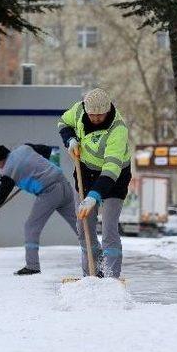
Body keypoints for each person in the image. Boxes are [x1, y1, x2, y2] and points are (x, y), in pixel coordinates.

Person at [58, 88, 131, 278]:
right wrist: (71, 139)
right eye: (92, 115)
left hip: (115, 177)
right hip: (85, 173)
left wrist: (94, 196)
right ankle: (91, 272)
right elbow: (63, 123)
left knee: (108, 229)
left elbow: (111, 168)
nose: (96, 119)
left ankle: (111, 275)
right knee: (84, 228)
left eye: (100, 115)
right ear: (86, 109)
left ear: (107, 111)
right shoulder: (78, 110)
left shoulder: (118, 129)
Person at [0, 143, 78, 275]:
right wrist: (39, 171)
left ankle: (32, 266)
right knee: (80, 225)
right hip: (64, 184)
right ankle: (98, 257)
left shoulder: (9, 171)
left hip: (49, 192)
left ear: (1, 160)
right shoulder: (24, 148)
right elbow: (48, 151)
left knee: (31, 227)